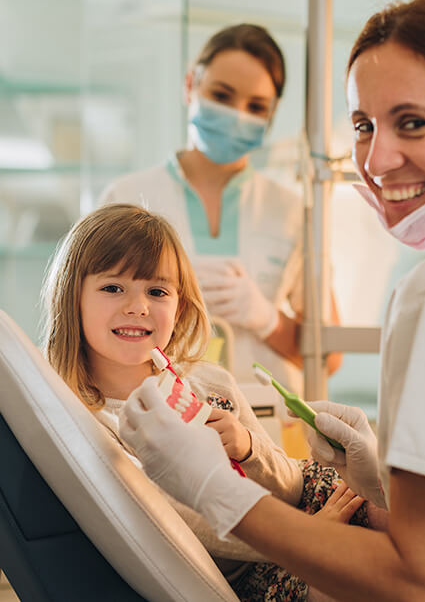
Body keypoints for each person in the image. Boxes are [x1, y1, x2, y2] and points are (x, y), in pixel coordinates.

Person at [119, 0, 425, 601]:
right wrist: (380, 496)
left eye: (413, 123)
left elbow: (424, 583)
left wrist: (215, 487)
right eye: (364, 126)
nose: (376, 159)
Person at [41, 203, 383, 600]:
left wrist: (248, 448)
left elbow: (290, 488)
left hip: (295, 524)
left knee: (387, 514)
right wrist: (309, 540)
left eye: (157, 291)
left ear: (179, 306)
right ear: (72, 298)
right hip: (244, 568)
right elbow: (176, 530)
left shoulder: (210, 383)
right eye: (113, 287)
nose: (138, 306)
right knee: (346, 582)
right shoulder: (87, 422)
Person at [98, 23, 341, 394]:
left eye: (256, 106)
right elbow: (87, 330)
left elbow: (330, 357)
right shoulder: (127, 198)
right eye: (222, 95)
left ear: (271, 117)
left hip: (267, 425)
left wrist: (267, 320)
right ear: (190, 85)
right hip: (157, 415)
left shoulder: (292, 213)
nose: (237, 114)